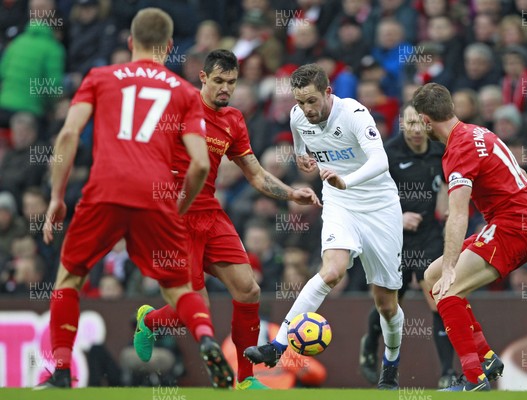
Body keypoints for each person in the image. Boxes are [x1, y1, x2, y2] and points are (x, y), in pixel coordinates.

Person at [35, 8, 234, 389]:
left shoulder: (100, 77)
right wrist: (179, 206)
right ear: (170, 46)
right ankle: (206, 336)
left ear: (130, 42)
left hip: (104, 192)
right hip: (155, 196)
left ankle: (61, 370)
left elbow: (67, 135)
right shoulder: (185, 92)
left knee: (70, 277)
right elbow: (199, 166)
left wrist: (57, 197)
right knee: (177, 288)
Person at [132, 49, 320, 390]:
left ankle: (245, 380)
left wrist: (292, 193)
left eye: (231, 82)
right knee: (196, 308)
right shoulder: (178, 106)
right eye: (218, 81)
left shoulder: (233, 119)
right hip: (175, 216)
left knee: (249, 290)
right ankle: (149, 321)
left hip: (210, 213)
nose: (225, 88)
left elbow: (256, 174)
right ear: (203, 78)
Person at [244, 64, 405, 390]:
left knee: (386, 305)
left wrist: (347, 179)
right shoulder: (298, 116)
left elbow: (380, 161)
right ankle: (277, 348)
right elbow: (300, 141)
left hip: (380, 207)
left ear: (328, 93)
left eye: (313, 101)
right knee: (332, 270)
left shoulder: (354, 114)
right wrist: (303, 157)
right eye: (301, 102)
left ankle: (390, 363)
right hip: (339, 203)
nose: (307, 109)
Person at [412, 83, 527, 391]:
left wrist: (452, 265)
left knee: (446, 289)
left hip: (511, 226)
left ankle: (474, 378)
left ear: (425, 120)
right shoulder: (480, 133)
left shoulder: (459, 149)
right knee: (431, 275)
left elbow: (459, 212)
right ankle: (486, 357)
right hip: (521, 222)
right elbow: (520, 173)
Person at [359, 103, 455, 388]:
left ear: (428, 123)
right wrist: (397, 217)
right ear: (401, 124)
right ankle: (370, 345)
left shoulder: (441, 149)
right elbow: (367, 197)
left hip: (431, 235)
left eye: (419, 123)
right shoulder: (388, 154)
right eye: (409, 123)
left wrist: (449, 201)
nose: (415, 130)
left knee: (438, 298)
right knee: (390, 302)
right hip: (394, 234)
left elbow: (451, 181)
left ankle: (447, 373)